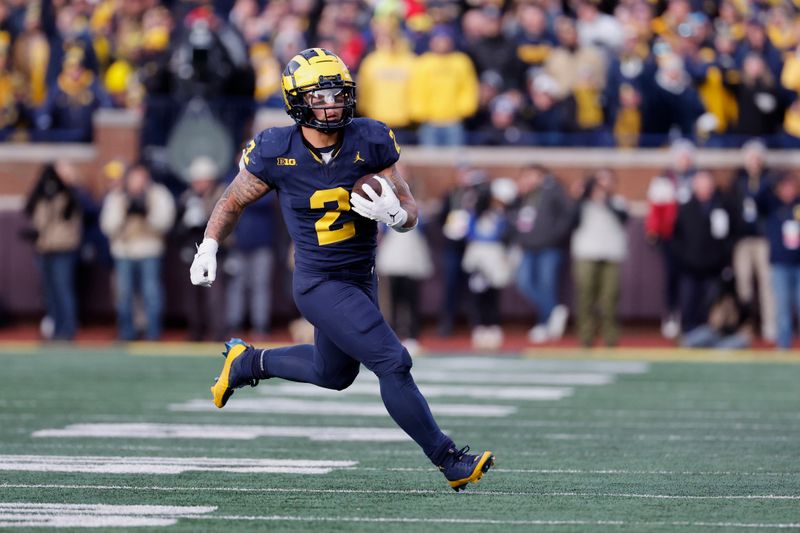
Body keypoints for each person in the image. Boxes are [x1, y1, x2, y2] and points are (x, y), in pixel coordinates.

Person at [189, 48, 494, 491]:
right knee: (394, 361)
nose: (332, 104)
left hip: (360, 276)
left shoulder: (370, 139)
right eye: (320, 97)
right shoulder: (275, 149)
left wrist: (396, 215)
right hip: (318, 281)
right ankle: (449, 460)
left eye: (338, 94)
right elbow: (233, 199)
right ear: (297, 102)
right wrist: (210, 245)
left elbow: (409, 209)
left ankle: (248, 362)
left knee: (335, 375)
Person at [100, 163, 175, 341]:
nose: (137, 182)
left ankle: (152, 333)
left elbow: (165, 222)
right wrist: (124, 212)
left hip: (149, 250)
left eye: (140, 177)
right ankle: (126, 332)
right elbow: (107, 226)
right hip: (124, 251)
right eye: (134, 177)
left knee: (151, 292)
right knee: (123, 294)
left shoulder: (157, 194)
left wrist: (146, 212)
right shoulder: (117, 196)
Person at [512, 164, 573, 344]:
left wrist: (555, 236)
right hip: (528, 247)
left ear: (541, 175)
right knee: (524, 282)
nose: (527, 179)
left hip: (549, 247)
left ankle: (544, 323)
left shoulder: (553, 189)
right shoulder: (526, 196)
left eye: (530, 175)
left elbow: (567, 215)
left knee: (547, 285)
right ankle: (553, 311)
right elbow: (518, 219)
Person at [23, 162, 82, 340]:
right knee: (49, 294)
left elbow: (81, 207)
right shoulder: (41, 197)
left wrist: (69, 182)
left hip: (63, 249)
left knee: (63, 290)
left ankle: (68, 330)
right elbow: (33, 213)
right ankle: (56, 330)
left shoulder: (69, 194)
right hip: (45, 249)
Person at [570, 169, 629, 347]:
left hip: (611, 254)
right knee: (586, 295)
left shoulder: (617, 202)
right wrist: (582, 196)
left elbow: (623, 218)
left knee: (609, 297)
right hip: (586, 253)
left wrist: (606, 200)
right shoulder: (582, 204)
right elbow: (571, 221)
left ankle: (610, 336)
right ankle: (586, 336)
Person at [176, 156, 228, 342]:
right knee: (192, 296)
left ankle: (218, 332)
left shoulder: (221, 195)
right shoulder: (187, 197)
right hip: (193, 252)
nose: (199, 184)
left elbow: (225, 224)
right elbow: (177, 227)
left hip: (215, 253)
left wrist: (204, 216)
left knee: (214, 295)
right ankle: (196, 330)